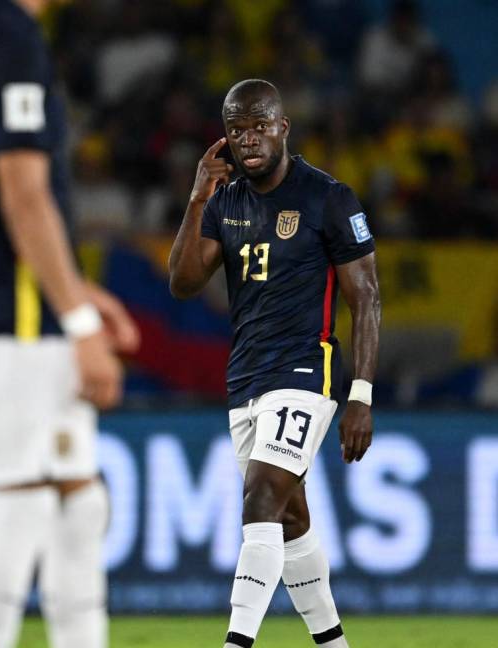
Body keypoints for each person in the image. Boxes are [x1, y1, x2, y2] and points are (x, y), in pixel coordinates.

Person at [170, 79, 380, 648]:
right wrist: (197, 198)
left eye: (259, 124)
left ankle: (236, 642)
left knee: (261, 495)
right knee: (289, 520)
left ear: (283, 127)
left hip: (307, 372)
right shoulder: (228, 200)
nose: (248, 138)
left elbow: (366, 296)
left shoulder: (327, 197)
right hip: (246, 379)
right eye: (236, 128)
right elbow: (185, 282)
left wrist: (359, 395)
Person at [0, 1, 140, 647]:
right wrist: (76, 322)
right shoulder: (6, 32)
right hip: (14, 317)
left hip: (28, 302)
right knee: (25, 491)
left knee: (79, 498)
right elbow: (21, 190)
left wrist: (75, 291)